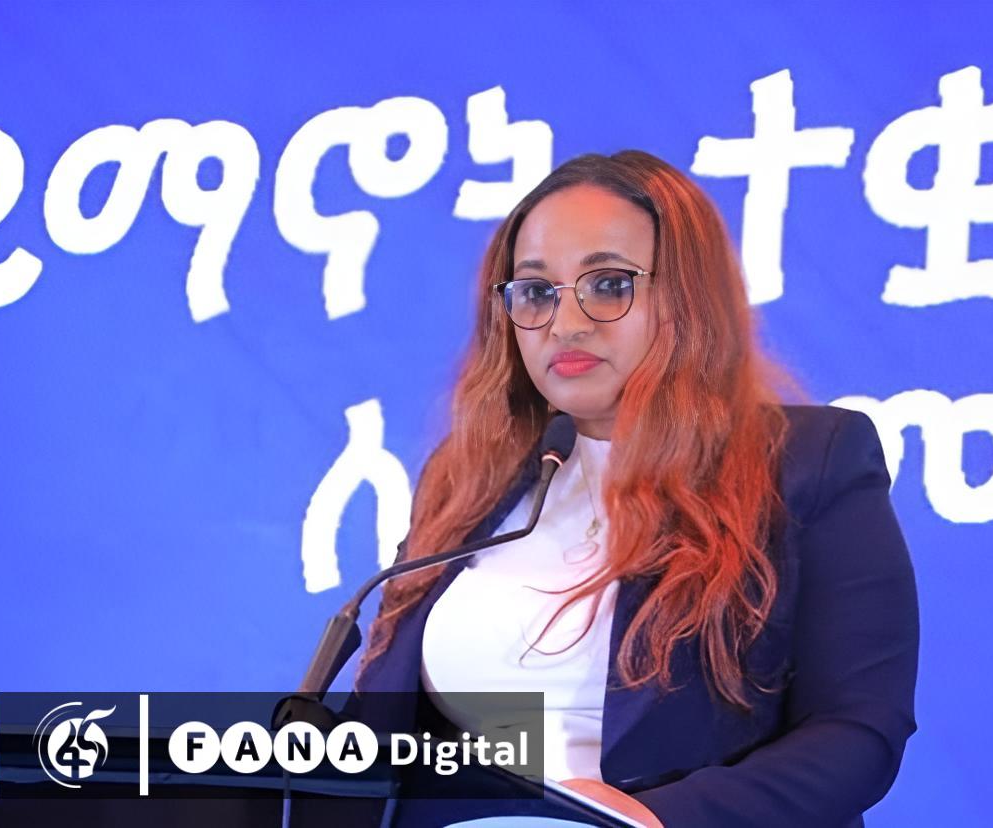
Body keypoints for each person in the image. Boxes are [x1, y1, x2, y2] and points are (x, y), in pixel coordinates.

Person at [347, 150, 920, 827]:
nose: (566, 323)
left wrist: (657, 821)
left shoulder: (809, 462)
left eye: (609, 284)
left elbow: (857, 733)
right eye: (536, 291)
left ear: (688, 297)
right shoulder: (467, 475)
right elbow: (388, 735)